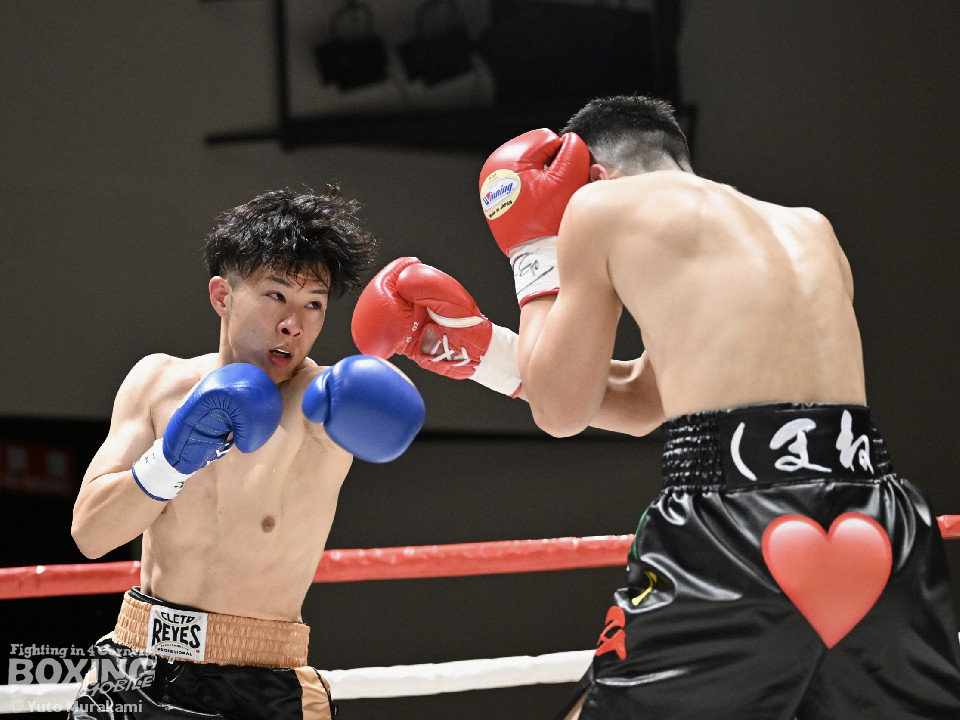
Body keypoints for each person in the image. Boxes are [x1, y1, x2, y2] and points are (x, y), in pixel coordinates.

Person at [351, 95, 960, 719]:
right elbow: (646, 402)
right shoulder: (809, 227)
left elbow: (560, 409)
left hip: (735, 520)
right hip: (881, 520)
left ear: (590, 174)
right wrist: (486, 356)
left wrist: (532, 249)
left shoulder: (598, 206)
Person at [69, 187, 426, 720]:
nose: (293, 324)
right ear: (223, 295)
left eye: (314, 305)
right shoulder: (158, 383)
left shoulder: (324, 404)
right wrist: (172, 460)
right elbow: (91, 535)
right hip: (136, 662)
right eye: (276, 295)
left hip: (259, 683)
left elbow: (393, 418)